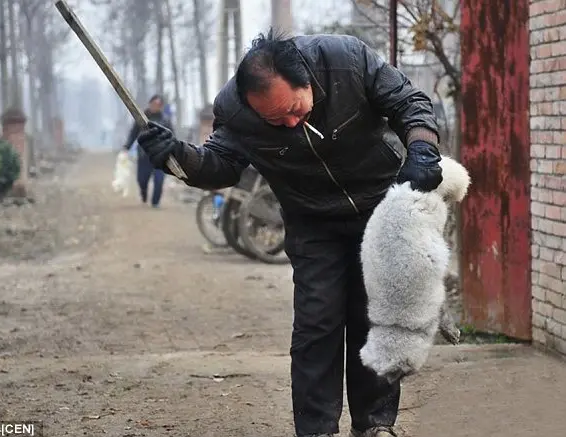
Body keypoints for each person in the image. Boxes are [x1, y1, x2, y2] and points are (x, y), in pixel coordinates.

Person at [136, 29, 442, 437]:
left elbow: (411, 103)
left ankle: (374, 425)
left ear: (308, 80)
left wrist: (422, 148)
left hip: (380, 208)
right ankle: (316, 430)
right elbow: (221, 165)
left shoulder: (345, 60)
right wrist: (178, 157)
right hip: (312, 219)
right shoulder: (235, 109)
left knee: (372, 317)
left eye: (295, 109)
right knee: (317, 323)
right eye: (277, 120)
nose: (292, 123)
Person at [123, 94, 174, 208]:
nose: (156, 106)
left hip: (160, 155)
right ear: (150, 104)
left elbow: (172, 136)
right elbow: (133, 133)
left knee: (159, 180)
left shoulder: (165, 120)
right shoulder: (141, 118)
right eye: (154, 104)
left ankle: (155, 203)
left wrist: (173, 149)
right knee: (142, 179)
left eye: (158, 105)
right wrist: (127, 146)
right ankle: (143, 193)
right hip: (144, 154)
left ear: (161, 106)